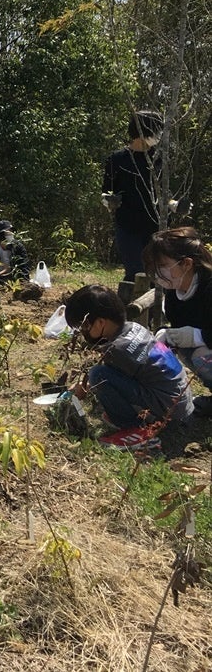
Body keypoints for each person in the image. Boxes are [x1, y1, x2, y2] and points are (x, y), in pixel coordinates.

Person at [65, 283, 193, 449]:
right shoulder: (134, 327)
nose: (83, 332)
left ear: (101, 322)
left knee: (98, 375)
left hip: (171, 408)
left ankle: (135, 429)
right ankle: (139, 417)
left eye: (84, 326)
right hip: (181, 400)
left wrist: (85, 389)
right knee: (102, 376)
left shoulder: (116, 349)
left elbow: (106, 381)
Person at [143, 227, 212, 417]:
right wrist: (164, 333)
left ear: (187, 264)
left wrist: (197, 336)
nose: (157, 272)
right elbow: (179, 327)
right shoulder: (174, 293)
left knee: (201, 355)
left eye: (162, 265)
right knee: (188, 351)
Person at [103, 110, 163, 282]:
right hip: (128, 225)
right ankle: (128, 300)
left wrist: (175, 204)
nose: (159, 135)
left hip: (155, 226)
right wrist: (109, 201)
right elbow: (106, 191)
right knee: (135, 273)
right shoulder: (117, 159)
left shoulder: (159, 158)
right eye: (156, 130)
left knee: (156, 275)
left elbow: (164, 192)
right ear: (143, 130)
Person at [0, 219, 29, 286]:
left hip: (14, 281)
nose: (11, 234)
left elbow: (24, 265)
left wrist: (24, 283)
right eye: (8, 232)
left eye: (11, 231)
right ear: (0, 235)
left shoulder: (18, 246)